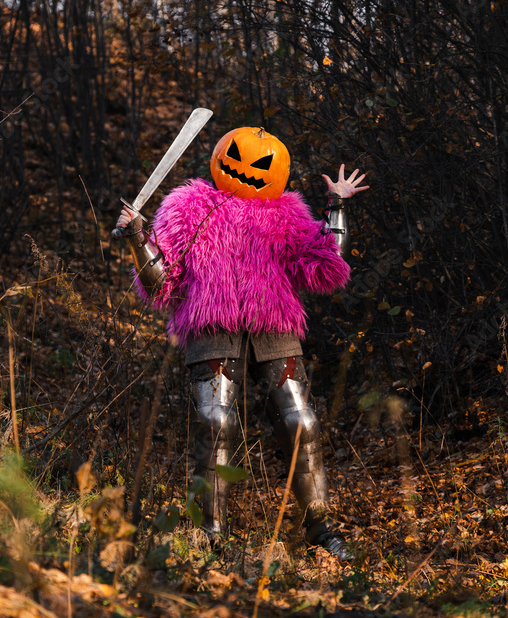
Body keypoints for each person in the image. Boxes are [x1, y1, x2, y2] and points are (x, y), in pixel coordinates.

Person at [115, 126, 368, 559]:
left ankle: (320, 528)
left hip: (273, 325)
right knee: (215, 420)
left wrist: (337, 206)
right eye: (238, 155)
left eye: (263, 163)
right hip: (211, 325)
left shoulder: (286, 214)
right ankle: (209, 533)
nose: (249, 167)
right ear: (221, 157)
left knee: (301, 423)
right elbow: (161, 282)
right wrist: (139, 237)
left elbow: (327, 263)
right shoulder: (189, 207)